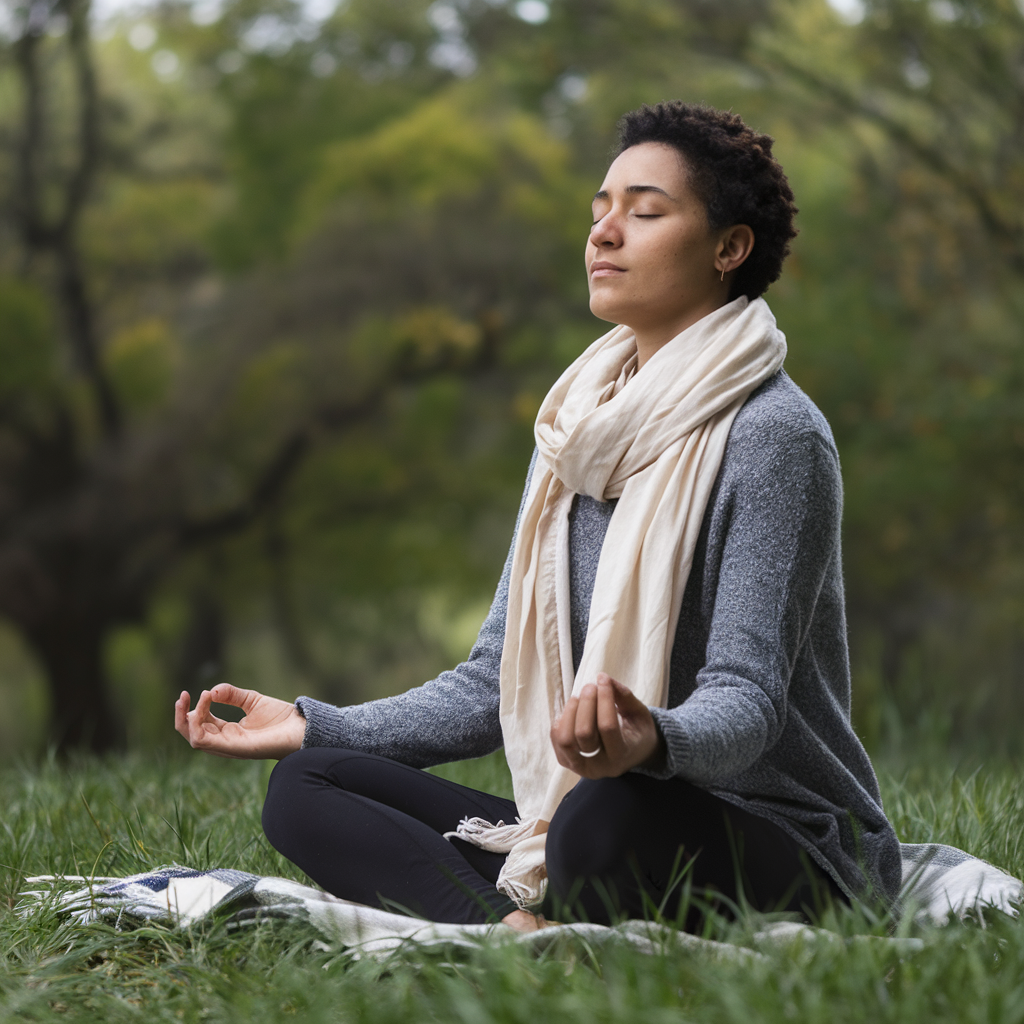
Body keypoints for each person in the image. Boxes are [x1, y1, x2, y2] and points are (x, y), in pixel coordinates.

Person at [175, 101, 902, 934]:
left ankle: (511, 916)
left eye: (645, 212)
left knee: (599, 818)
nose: (604, 233)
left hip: (780, 837)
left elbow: (746, 703)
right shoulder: (574, 428)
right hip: (601, 813)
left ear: (729, 247)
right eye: (601, 211)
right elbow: (491, 683)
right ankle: (512, 935)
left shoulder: (776, 437)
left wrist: (650, 741)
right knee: (311, 783)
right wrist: (313, 724)